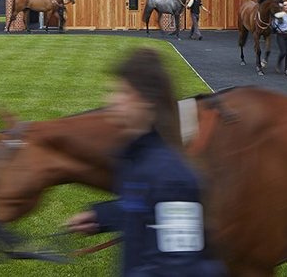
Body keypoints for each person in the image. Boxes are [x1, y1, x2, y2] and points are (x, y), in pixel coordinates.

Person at [66, 48, 225, 276]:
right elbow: (144, 207)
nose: (111, 100)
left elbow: (179, 267)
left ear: (148, 100)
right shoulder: (138, 159)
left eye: (123, 92)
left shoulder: (172, 179)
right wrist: (102, 217)